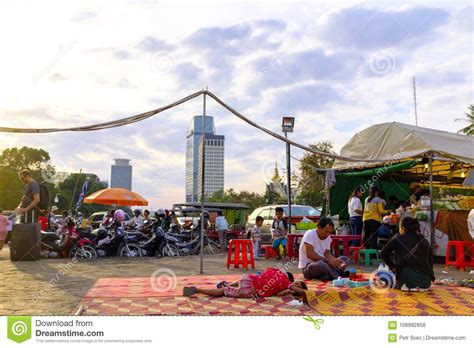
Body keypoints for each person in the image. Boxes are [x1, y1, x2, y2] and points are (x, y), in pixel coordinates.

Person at [381, 217, 434, 291]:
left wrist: (392, 267)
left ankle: (408, 284)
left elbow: (383, 253)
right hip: (426, 282)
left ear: (402, 228)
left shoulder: (398, 238)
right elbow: (430, 261)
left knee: (383, 277)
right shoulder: (424, 240)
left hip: (407, 279)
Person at [183, 268, 307, 299]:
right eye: (296, 283)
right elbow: (278, 295)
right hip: (249, 291)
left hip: (246, 277)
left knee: (225, 290)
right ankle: (198, 290)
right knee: (223, 293)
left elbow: (263, 276)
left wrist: (286, 291)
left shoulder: (275, 271)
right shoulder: (287, 283)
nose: (296, 284)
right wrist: (314, 293)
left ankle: (197, 289)